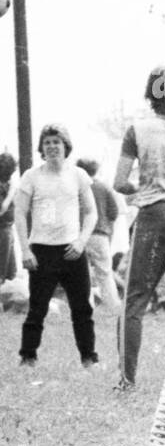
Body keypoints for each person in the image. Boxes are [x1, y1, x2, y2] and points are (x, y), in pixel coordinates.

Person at [113, 65, 165, 393]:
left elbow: (119, 182)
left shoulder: (137, 130)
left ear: (151, 91)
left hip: (152, 216)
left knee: (135, 300)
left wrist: (144, 188)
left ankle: (127, 380)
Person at [13, 124, 98, 367]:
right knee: (37, 309)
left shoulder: (78, 175)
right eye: (47, 143)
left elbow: (91, 213)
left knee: (82, 308)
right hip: (42, 251)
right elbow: (20, 214)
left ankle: (88, 358)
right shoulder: (31, 176)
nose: (52, 147)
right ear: (42, 148)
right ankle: (28, 356)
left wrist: (81, 242)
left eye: (56, 142)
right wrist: (25, 250)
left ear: (65, 146)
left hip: (72, 250)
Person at [76, 158, 121, 310]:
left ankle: (85, 304)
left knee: (82, 273)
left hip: (80, 234)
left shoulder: (77, 188)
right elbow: (114, 212)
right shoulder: (104, 187)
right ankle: (112, 304)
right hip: (100, 235)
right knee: (105, 272)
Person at [0, 151, 18, 283]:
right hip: (2, 230)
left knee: (10, 274)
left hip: (8, 229)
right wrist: (12, 191)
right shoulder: (5, 186)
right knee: (2, 272)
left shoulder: (6, 183)